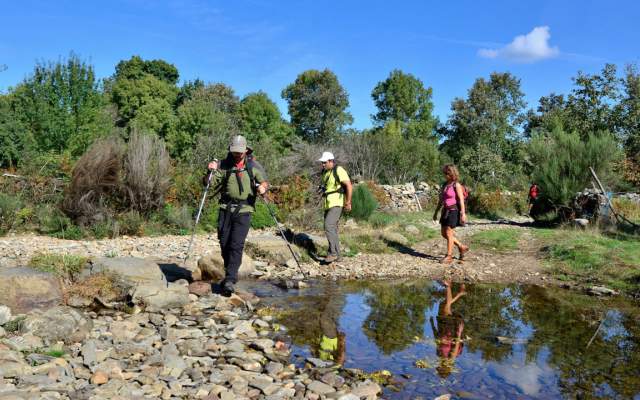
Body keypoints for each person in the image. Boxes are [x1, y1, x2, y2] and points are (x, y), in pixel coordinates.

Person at [206, 135, 268, 296]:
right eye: (234, 152)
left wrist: (262, 188)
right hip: (225, 209)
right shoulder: (224, 165)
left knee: (236, 244)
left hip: (244, 210)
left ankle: (230, 279)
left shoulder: (253, 165)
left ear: (246, 150)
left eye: (240, 152)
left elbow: (264, 182)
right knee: (224, 242)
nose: (237, 154)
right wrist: (210, 171)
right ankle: (230, 272)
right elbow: (208, 183)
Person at [318, 151, 353, 264]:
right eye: (322, 162)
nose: (322, 164)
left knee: (328, 226)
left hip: (337, 202)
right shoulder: (325, 172)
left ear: (331, 161)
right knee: (332, 229)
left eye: (324, 162)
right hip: (328, 203)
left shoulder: (339, 170)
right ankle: (338, 255)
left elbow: (348, 185)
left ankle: (332, 253)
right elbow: (329, 187)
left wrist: (348, 202)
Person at [433, 164, 469, 264]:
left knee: (449, 232)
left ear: (450, 173)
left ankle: (449, 256)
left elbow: (461, 200)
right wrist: (436, 212)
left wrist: (463, 213)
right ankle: (461, 246)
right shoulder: (445, 185)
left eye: (446, 173)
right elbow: (441, 200)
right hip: (445, 211)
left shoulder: (456, 185)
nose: (444, 175)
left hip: (453, 211)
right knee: (444, 233)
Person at [430, 279, 466, 378]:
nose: (438, 366)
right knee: (446, 307)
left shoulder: (440, 355)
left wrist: (432, 325)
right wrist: (459, 332)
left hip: (443, 328)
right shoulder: (450, 358)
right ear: (445, 368)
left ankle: (458, 292)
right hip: (451, 330)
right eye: (440, 369)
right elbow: (456, 345)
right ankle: (448, 286)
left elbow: (437, 340)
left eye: (438, 368)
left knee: (444, 306)